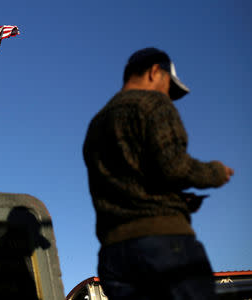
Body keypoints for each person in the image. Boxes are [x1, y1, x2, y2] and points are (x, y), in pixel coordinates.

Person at [83, 47, 234, 299]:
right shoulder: (153, 103)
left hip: (114, 255)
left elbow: (128, 182)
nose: (168, 96)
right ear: (155, 72)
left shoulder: (96, 124)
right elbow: (174, 167)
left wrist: (176, 198)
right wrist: (216, 172)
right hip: (164, 244)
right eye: (168, 87)